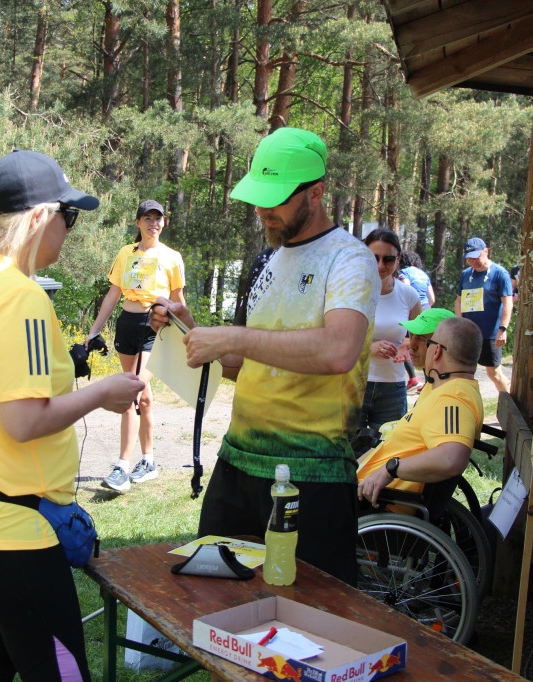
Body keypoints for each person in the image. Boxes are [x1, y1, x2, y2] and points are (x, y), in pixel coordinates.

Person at [0, 150, 145, 681]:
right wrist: (103, 393)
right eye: (68, 217)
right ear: (38, 218)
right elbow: (22, 421)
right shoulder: (18, 296)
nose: (71, 230)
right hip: (12, 534)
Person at [150, 127, 379, 586]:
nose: (262, 210)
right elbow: (251, 365)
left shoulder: (350, 259)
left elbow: (338, 350)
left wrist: (232, 337)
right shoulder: (266, 261)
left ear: (316, 193)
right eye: (258, 196)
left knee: (310, 617)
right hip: (237, 466)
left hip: (311, 476)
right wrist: (191, 331)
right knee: (212, 602)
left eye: (275, 198)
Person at [86, 200, 186, 492]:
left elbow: (179, 300)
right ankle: (149, 461)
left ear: (164, 223)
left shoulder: (172, 257)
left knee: (132, 389)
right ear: (138, 222)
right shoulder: (125, 254)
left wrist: (191, 335)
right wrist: (93, 331)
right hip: (127, 325)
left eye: (158, 219)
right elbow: (112, 295)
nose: (153, 223)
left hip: (156, 327)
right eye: (148, 218)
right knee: (143, 398)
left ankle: (121, 467)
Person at [356, 316, 484, 505]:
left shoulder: (453, 397)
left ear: (437, 350)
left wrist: (390, 469)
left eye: (427, 342)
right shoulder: (445, 388)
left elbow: (451, 457)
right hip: (367, 490)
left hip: (377, 503)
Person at [361, 229, 422, 429]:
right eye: (373, 257)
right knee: (349, 453)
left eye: (387, 259)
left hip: (392, 387)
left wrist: (410, 348)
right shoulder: (348, 292)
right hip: (351, 385)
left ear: (398, 259)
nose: (380, 265)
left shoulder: (408, 295)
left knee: (389, 452)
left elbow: (422, 339)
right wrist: (368, 348)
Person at [454, 237, 513, 394]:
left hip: (490, 333)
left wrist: (503, 329)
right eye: (469, 258)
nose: (473, 261)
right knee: (464, 373)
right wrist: (460, 323)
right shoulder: (466, 275)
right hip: (469, 333)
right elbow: (459, 301)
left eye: (476, 257)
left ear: (485, 252)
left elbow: (508, 303)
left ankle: (510, 404)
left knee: (494, 374)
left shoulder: (500, 274)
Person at [396, 251, 434, 392]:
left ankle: (413, 378)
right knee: (424, 346)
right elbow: (432, 298)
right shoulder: (423, 274)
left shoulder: (404, 273)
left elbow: (406, 290)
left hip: (411, 312)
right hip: (426, 312)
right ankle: (428, 381)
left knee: (408, 345)